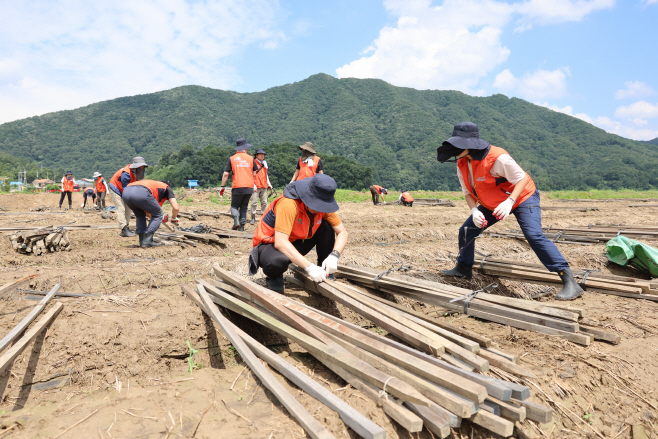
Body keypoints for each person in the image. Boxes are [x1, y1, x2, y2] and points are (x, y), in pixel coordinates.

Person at [436, 121, 583, 301]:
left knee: (533, 235)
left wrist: (510, 201)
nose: (456, 148)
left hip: (522, 197)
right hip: (493, 201)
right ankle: (463, 268)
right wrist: (474, 211)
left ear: (470, 145)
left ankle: (569, 281)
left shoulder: (498, 157)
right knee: (467, 230)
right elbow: (467, 192)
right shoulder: (463, 163)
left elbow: (522, 179)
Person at [249, 174, 348, 293]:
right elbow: (280, 243)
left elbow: (342, 232)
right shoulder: (289, 204)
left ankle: (325, 271)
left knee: (326, 226)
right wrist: (309, 268)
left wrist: (334, 256)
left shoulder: (323, 206)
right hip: (270, 245)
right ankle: (274, 277)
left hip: (295, 242)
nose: (320, 209)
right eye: (317, 205)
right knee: (277, 262)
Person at [122, 180, 179, 247]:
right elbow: (176, 208)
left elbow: (148, 213)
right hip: (141, 192)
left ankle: (142, 241)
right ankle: (148, 240)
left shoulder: (152, 186)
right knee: (158, 214)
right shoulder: (166, 187)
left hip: (126, 193)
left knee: (140, 215)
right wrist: (173, 218)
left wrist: (160, 218)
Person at [220, 138, 258, 231]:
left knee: (234, 206)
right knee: (244, 207)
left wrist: (222, 186)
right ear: (245, 148)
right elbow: (254, 172)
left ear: (237, 148)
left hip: (237, 187)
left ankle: (236, 221)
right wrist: (253, 183)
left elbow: (226, 174)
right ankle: (241, 228)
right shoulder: (251, 158)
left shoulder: (232, 159)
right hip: (249, 187)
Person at [109, 157, 148, 237]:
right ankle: (123, 229)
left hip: (126, 189)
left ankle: (126, 226)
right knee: (121, 208)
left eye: (143, 167)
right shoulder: (126, 174)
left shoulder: (138, 174)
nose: (142, 168)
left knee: (128, 209)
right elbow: (125, 190)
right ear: (135, 167)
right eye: (140, 167)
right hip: (116, 188)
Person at [250, 148, 273, 225]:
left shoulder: (264, 163)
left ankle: (263, 217)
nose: (262, 156)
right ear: (256, 155)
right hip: (256, 186)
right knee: (254, 202)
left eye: (263, 154)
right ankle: (253, 217)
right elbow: (250, 175)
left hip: (263, 186)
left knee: (264, 202)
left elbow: (266, 175)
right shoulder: (253, 163)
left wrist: (269, 184)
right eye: (260, 154)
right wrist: (253, 185)